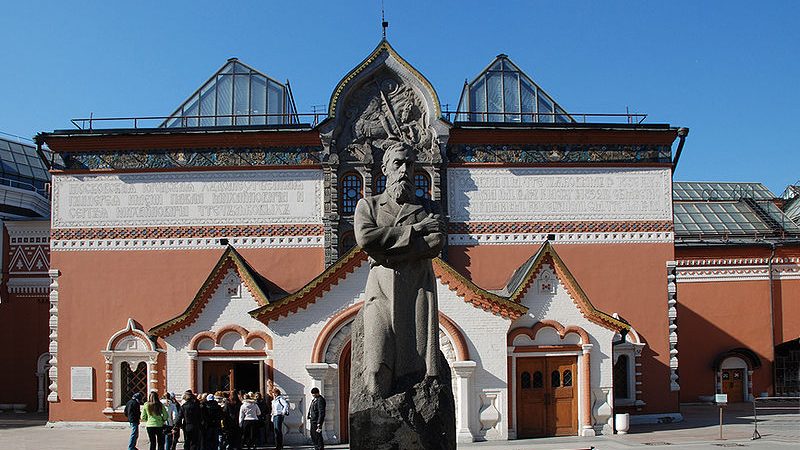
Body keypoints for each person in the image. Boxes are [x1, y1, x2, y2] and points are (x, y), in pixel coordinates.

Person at [354, 142, 445, 398]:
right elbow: (366, 239)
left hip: (416, 289)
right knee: (375, 366)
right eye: (398, 163)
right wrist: (416, 230)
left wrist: (385, 252)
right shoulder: (368, 206)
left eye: (410, 164)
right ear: (385, 169)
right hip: (380, 291)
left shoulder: (430, 208)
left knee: (416, 365)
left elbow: (435, 244)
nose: (404, 169)